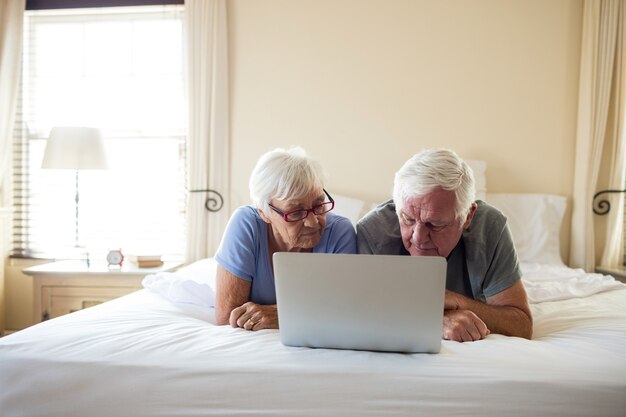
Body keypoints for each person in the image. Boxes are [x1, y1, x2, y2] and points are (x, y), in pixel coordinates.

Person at [356, 148, 532, 342]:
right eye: (407, 219)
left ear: (468, 216)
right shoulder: (373, 232)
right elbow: (361, 313)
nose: (418, 237)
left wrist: (458, 302)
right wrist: (434, 317)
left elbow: (522, 324)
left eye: (436, 224)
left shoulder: (489, 227)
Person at [215, 147, 357, 331]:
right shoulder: (246, 224)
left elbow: (345, 313)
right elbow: (228, 317)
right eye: (296, 212)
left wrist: (283, 315)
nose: (313, 222)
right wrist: (308, 313)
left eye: (319, 205)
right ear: (264, 213)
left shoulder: (339, 232)